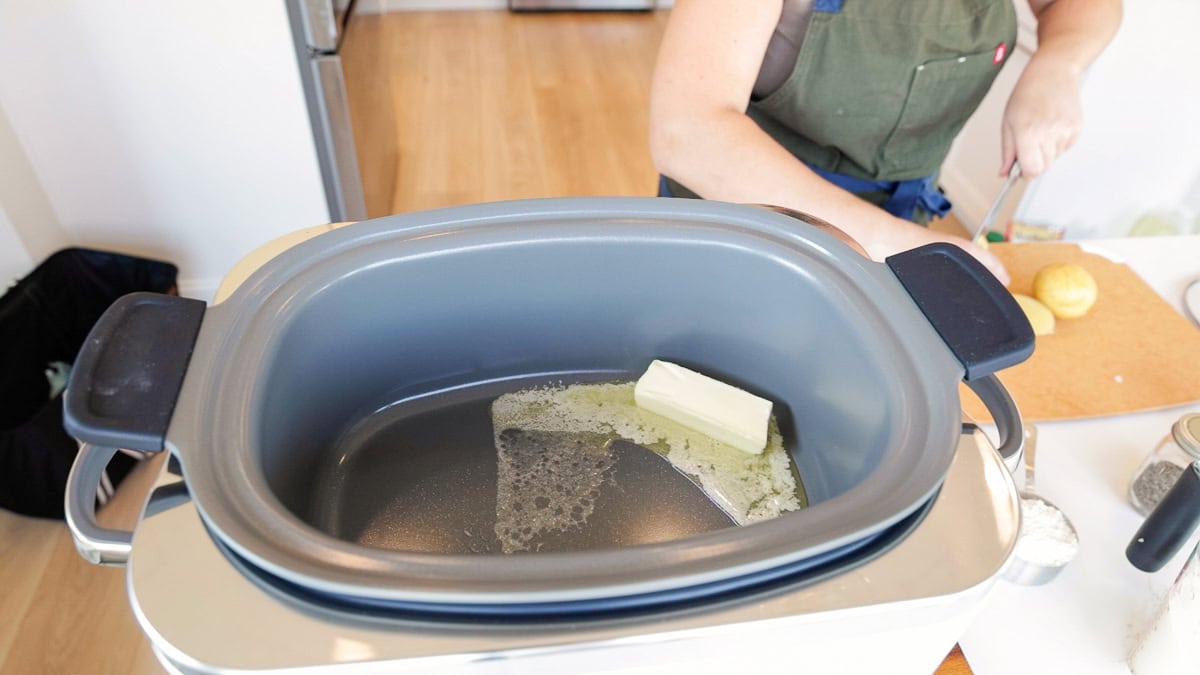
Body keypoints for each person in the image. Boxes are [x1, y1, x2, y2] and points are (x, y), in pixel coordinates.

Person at [649, 0, 1122, 284]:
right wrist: (894, 244)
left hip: (899, 230)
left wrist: (1059, 65)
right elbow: (688, 131)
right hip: (747, 227)